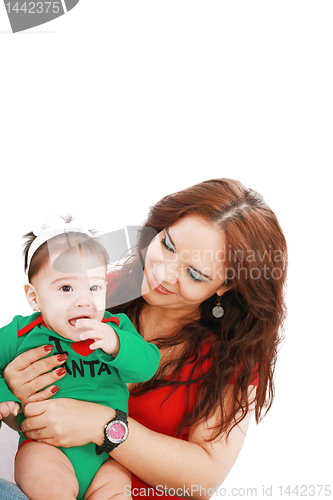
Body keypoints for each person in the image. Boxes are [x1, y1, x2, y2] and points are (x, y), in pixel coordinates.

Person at [2, 179, 287, 500]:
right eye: (167, 245)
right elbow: (27, 416)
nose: (163, 273)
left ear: (226, 286)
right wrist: (14, 391)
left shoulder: (234, 356)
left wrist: (103, 425)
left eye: (194, 274)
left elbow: (204, 479)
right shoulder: (94, 291)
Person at [0, 215, 160, 500]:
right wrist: (4, 393)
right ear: (34, 297)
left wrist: (117, 345)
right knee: (51, 487)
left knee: (117, 492)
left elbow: (147, 367)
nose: (83, 300)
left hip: (106, 457)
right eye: (65, 288)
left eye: (94, 287)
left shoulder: (114, 329)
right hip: (46, 448)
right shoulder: (21, 333)